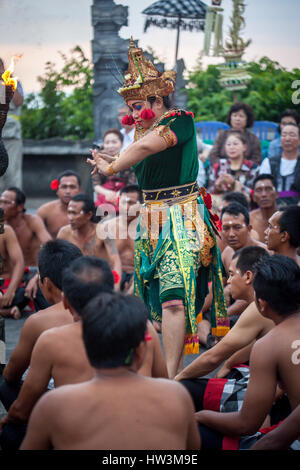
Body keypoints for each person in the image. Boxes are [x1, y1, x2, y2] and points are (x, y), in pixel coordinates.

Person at [88, 38, 228, 379]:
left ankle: (171, 379)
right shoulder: (140, 132)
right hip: (152, 217)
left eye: (140, 106)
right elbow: (139, 158)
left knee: (175, 297)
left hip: (181, 212)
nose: (135, 115)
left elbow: (147, 148)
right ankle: (172, 372)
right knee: (156, 297)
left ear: (158, 99)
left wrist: (112, 167)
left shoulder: (180, 120)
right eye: (132, 109)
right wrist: (111, 159)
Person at [20, 292, 200, 450]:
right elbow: (193, 447)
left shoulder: (53, 404)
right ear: (140, 352)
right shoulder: (177, 395)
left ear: (88, 350)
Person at [195, 255, 300, 450]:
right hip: (288, 423)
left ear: (261, 304)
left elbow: (246, 424)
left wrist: (198, 416)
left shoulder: (269, 345)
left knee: (195, 433)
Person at [176, 247, 272, 412]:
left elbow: (212, 358)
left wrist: (176, 380)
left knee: (182, 389)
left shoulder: (258, 307)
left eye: (232, 274)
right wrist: (227, 365)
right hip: (267, 389)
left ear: (248, 276)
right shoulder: (268, 301)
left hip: (262, 397)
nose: (228, 281)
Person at [0, 239, 82, 422]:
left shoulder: (40, 322)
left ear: (47, 283)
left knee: (6, 385)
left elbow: (11, 375)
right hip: (121, 410)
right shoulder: (123, 309)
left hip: (70, 416)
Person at [57, 193, 122, 287]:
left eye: (74, 213)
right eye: (69, 213)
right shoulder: (64, 233)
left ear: (89, 215)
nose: (70, 218)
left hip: (100, 283)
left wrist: (116, 287)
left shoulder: (103, 231)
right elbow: (53, 260)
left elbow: (116, 261)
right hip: (74, 283)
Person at [101, 184, 142, 292]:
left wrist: (136, 283)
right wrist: (115, 287)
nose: (127, 207)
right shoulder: (107, 226)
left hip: (141, 277)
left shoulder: (148, 228)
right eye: (124, 202)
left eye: (132, 203)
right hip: (111, 277)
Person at [208, 130, 259, 211]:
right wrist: (217, 187)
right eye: (228, 144)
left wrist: (234, 184)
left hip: (245, 208)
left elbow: (254, 194)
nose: (231, 147)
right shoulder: (218, 166)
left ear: (244, 147)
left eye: (235, 144)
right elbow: (209, 191)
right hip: (220, 208)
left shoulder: (252, 167)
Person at [0, 187, 52, 266]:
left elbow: (50, 246)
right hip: (11, 274)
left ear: (20, 207)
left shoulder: (32, 221)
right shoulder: (2, 226)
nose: (1, 206)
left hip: (33, 271)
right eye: (0, 202)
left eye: (6, 202)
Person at [93, 128, 136, 215]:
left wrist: (119, 194)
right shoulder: (99, 161)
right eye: (107, 143)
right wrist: (108, 193)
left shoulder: (128, 160)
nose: (110, 146)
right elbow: (96, 185)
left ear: (121, 143)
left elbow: (131, 183)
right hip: (105, 195)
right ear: (103, 144)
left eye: (114, 142)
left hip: (124, 194)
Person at [259, 123, 300, 207]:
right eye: (284, 135)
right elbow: (261, 189)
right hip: (272, 208)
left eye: (292, 135)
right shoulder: (268, 163)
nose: (287, 139)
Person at [0, 58, 24, 193]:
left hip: (11, 132)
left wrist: (9, 83)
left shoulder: (12, 82)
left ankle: (14, 201)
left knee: (12, 171)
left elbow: (19, 101)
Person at [37, 170, 81, 239]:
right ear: (57, 190)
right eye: (64, 187)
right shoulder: (44, 211)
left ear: (79, 190)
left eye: (72, 187)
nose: (68, 191)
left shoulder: (88, 212)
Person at [0, 221, 25, 319]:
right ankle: (6, 311)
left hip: (7, 286)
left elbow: (19, 262)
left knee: (27, 292)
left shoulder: (6, 231)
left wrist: (11, 290)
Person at [249, 174, 278, 243]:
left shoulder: (286, 217)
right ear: (253, 197)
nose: (264, 194)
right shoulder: (248, 219)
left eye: (268, 189)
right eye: (259, 190)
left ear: (277, 194)